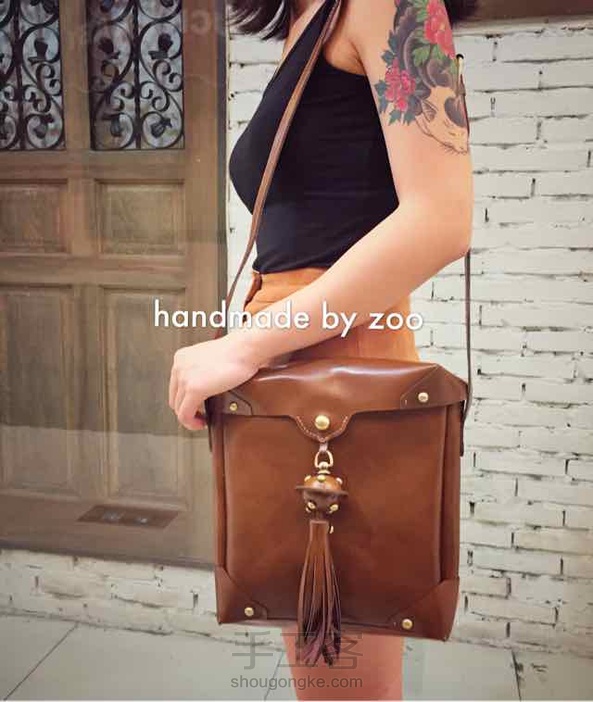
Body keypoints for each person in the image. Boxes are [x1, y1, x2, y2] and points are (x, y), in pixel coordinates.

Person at [169, 0, 476, 698]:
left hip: (335, 367)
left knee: (341, 682)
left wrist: (247, 344)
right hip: (299, 357)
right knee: (322, 662)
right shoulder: (310, 18)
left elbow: (441, 218)